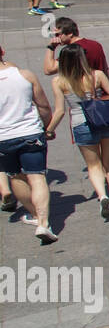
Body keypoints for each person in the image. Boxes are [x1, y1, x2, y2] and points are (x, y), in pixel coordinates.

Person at [46, 43, 109, 223]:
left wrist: (49, 130)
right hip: (104, 121)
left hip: (81, 124)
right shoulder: (97, 75)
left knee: (93, 165)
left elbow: (60, 111)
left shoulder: (59, 81)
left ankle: (102, 195)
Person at [42, 17, 109, 171]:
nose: (56, 38)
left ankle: (104, 168)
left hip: (83, 96)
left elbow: (48, 69)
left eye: (58, 34)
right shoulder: (95, 45)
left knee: (94, 132)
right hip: (100, 90)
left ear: (69, 33)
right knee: (104, 127)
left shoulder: (71, 52)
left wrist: (51, 47)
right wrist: (107, 87)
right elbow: (106, 68)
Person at [0, 45, 55, 242]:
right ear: (3, 52)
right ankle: (43, 222)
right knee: (37, 177)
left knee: (16, 177)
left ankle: (33, 214)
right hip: (30, 133)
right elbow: (43, 106)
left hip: (3, 139)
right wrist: (47, 127)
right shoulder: (25, 75)